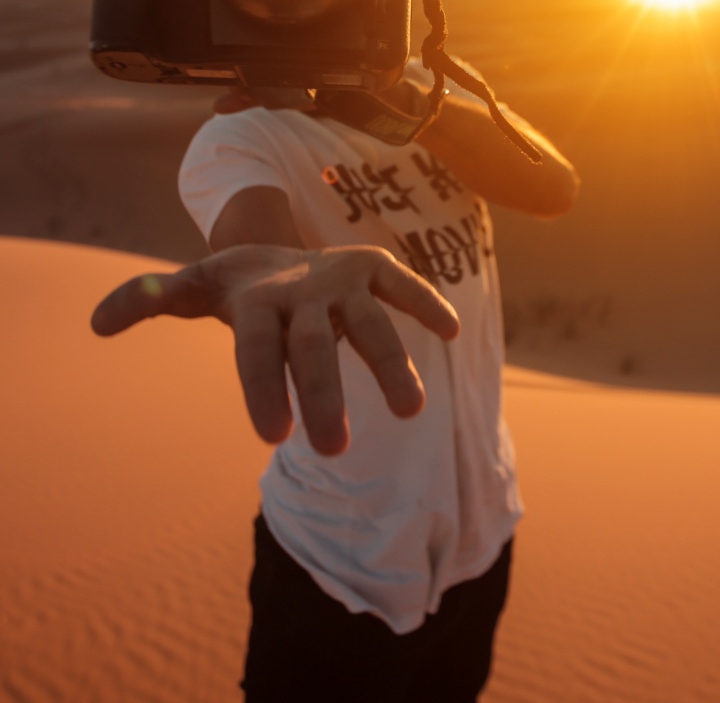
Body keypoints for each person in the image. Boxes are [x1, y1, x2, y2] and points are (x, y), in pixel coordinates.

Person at [92, 60, 578, 702]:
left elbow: (553, 188)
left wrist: (397, 97)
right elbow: (260, 243)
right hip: (336, 569)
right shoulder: (241, 139)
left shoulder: (429, 88)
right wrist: (279, 270)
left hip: (480, 548)